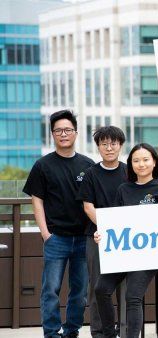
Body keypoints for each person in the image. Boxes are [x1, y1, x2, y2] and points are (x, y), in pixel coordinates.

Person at [93, 143, 158, 338]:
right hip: (123, 251)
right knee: (101, 289)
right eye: (136, 160)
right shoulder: (123, 189)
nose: (141, 164)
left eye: (145, 160)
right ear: (130, 164)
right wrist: (101, 234)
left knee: (132, 297)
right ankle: (109, 335)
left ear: (153, 163)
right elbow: (115, 222)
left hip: (148, 254)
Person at [23, 109, 95, 338]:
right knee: (50, 290)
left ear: (75, 133)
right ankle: (52, 333)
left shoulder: (88, 164)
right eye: (58, 130)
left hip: (84, 238)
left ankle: (72, 331)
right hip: (56, 239)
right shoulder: (42, 165)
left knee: (80, 292)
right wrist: (45, 234)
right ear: (52, 134)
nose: (63, 134)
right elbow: (37, 201)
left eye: (68, 130)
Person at [78, 126, 127, 338]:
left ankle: (125, 330)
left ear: (120, 145)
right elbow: (88, 206)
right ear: (98, 147)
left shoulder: (129, 171)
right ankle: (99, 332)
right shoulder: (90, 174)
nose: (109, 148)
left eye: (113, 143)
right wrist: (108, 228)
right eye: (104, 144)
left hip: (128, 239)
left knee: (125, 288)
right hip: (97, 237)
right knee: (97, 286)